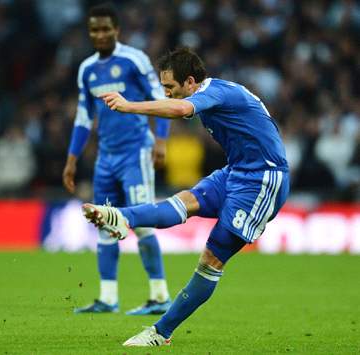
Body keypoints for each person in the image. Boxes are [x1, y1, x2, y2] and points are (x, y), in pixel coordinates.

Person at [84, 47, 290, 346]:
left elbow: (181, 111)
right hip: (236, 171)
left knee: (211, 259)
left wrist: (129, 106)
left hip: (263, 179)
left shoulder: (215, 92)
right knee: (183, 202)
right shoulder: (214, 93)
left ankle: (160, 332)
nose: (167, 94)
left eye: (170, 88)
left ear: (190, 82)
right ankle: (120, 216)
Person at [63, 3, 172, 315]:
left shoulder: (134, 59)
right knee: (104, 223)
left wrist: (161, 140)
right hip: (106, 158)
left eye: (105, 29)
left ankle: (160, 295)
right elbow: (84, 117)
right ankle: (108, 298)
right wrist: (72, 159)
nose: (99, 34)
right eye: (94, 30)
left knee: (142, 222)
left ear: (117, 30)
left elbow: (159, 98)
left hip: (136, 153)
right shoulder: (87, 69)